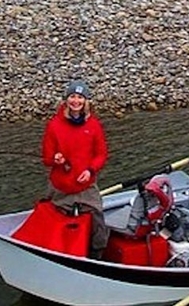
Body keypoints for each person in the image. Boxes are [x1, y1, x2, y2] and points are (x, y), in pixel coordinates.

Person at [41, 79, 109, 259]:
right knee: (55, 224)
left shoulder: (94, 125)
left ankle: (96, 256)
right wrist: (55, 159)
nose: (76, 101)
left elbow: (101, 154)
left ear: (86, 101)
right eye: (72, 97)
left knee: (98, 225)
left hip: (86, 186)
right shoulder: (54, 125)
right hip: (60, 187)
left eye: (80, 97)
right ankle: (56, 254)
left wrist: (90, 170)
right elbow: (46, 158)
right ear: (66, 100)